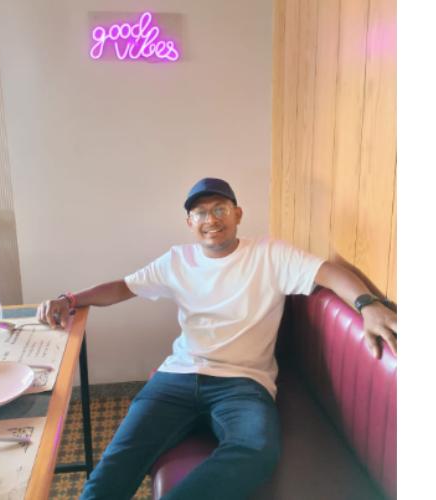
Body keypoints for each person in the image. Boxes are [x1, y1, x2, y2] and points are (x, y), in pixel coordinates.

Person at [37, 178, 397, 500]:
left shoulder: (269, 254)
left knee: (255, 450)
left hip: (243, 383)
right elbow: (123, 287)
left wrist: (367, 305)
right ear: (189, 223)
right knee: (117, 461)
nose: (211, 219)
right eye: (200, 213)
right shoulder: (177, 260)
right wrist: (70, 299)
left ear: (238, 214)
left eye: (220, 209)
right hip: (176, 378)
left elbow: (327, 271)